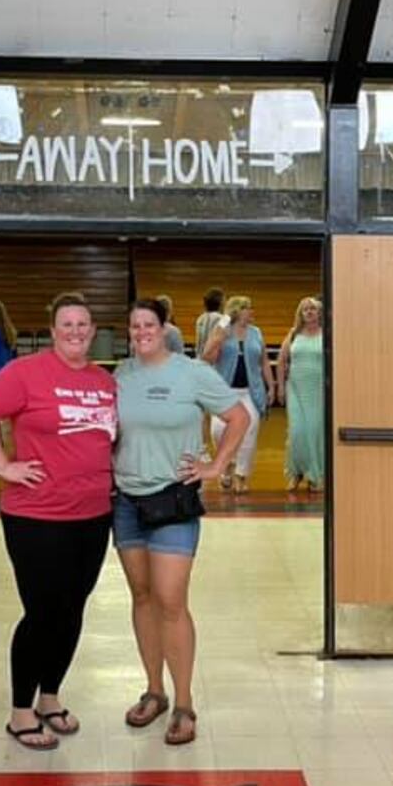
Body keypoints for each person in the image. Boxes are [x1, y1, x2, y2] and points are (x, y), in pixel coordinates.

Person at [0, 293, 118, 751]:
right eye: (66, 324)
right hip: (36, 517)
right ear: (53, 332)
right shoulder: (26, 372)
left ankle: (50, 697)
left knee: (72, 610)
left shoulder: (104, 381)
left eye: (83, 324)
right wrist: (2, 466)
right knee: (42, 613)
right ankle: (20, 711)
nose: (75, 331)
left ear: (93, 331)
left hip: (92, 516)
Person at [114, 298, 249, 746]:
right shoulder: (121, 375)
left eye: (148, 324)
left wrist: (216, 467)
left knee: (171, 600)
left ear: (163, 327)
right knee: (142, 596)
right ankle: (154, 691)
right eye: (133, 327)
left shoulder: (192, 373)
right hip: (127, 502)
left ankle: (184, 701)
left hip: (173, 502)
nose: (140, 332)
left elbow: (238, 416)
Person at [200, 295, 271, 492]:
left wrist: (271, 385)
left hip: (250, 391)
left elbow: (264, 360)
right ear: (237, 311)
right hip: (225, 391)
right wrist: (219, 334)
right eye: (247, 308)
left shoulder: (256, 333)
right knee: (218, 429)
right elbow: (206, 356)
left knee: (250, 429)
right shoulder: (223, 331)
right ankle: (226, 465)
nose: (251, 312)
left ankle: (241, 475)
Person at [278, 297, 325, 492]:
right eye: (305, 309)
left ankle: (315, 475)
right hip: (296, 389)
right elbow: (281, 361)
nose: (309, 312)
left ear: (320, 312)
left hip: (319, 390)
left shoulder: (327, 334)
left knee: (314, 432)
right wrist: (280, 387)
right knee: (297, 432)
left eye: (312, 308)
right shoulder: (293, 334)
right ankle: (296, 473)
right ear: (300, 313)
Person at [194, 287, 224, 352]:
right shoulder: (222, 319)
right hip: (214, 356)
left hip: (200, 355)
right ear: (221, 303)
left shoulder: (200, 318)